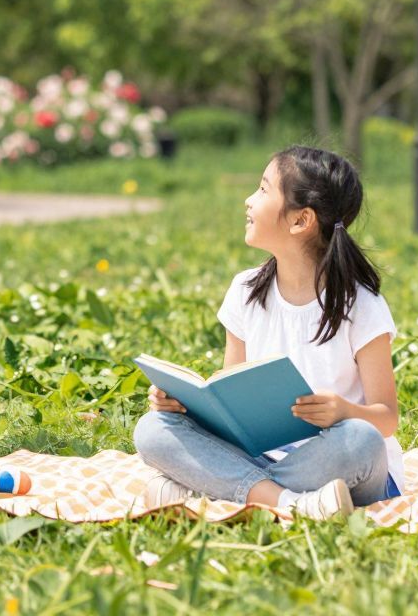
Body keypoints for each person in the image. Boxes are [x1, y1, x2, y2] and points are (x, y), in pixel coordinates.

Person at [134, 145, 403, 520]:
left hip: (336, 460)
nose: (248, 200)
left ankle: (214, 490)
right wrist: (185, 405)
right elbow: (229, 401)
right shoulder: (245, 291)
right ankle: (292, 504)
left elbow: (387, 418)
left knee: (362, 439)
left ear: (300, 220)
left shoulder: (361, 305)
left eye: (262, 190)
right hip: (260, 454)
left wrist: (345, 411)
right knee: (152, 429)